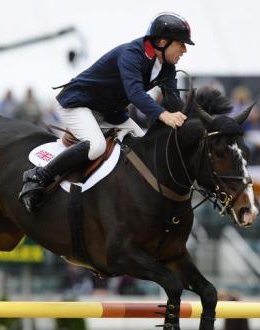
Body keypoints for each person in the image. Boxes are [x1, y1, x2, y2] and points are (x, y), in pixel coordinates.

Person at [19, 12, 192, 212]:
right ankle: (38, 176)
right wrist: (163, 115)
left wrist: (190, 120)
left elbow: (173, 100)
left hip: (109, 113)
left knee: (143, 141)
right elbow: (135, 93)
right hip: (78, 103)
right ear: (163, 41)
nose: (185, 49)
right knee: (96, 147)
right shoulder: (132, 54)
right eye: (181, 43)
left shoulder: (167, 67)